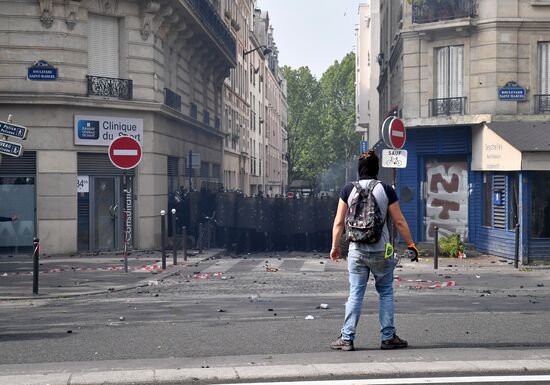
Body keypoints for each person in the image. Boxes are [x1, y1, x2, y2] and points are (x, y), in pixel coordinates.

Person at [329, 149, 418, 351]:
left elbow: (338, 223)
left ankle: (347, 338)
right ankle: (388, 337)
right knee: (385, 292)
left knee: (355, 294)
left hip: (356, 251)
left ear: (359, 170)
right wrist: (411, 244)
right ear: (377, 169)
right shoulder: (386, 189)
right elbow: (399, 221)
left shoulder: (347, 190)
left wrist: (335, 247)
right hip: (382, 250)